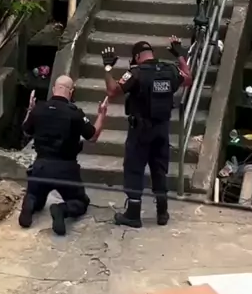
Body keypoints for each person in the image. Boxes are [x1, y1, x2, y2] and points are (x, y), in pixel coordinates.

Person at [101, 38, 192, 229]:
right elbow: (188, 79)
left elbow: (112, 91)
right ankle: (162, 212)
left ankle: (133, 214)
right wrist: (180, 55)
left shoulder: (136, 73)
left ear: (136, 57)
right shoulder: (170, 70)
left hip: (140, 130)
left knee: (134, 168)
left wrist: (108, 68)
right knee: (159, 168)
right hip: (162, 129)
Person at [18, 75, 108, 236]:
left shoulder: (39, 109)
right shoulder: (75, 114)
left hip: (41, 168)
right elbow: (93, 136)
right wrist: (102, 114)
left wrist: (30, 110)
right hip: (66, 170)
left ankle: (29, 204)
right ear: (71, 92)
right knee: (80, 202)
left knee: (35, 196)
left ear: (54, 89)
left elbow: (26, 130)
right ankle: (61, 210)